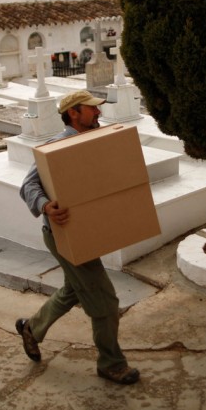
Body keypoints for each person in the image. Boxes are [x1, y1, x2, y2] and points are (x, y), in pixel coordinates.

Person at [16, 89, 140, 385]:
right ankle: (111, 363)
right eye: (92, 109)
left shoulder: (97, 140)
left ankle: (31, 328)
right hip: (63, 234)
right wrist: (46, 206)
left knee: (74, 289)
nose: (98, 113)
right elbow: (27, 185)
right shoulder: (57, 146)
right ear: (74, 113)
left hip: (86, 232)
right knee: (105, 301)